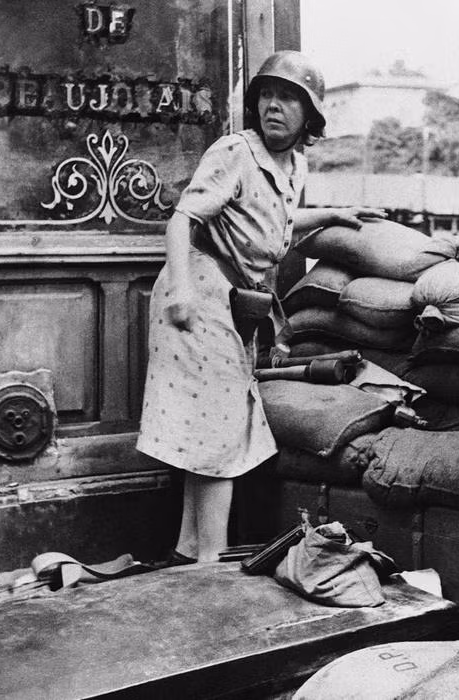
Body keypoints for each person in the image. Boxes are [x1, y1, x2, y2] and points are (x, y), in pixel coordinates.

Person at [136, 51, 384, 564]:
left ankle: (188, 552)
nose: (274, 105)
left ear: (310, 116)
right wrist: (181, 289)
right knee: (220, 430)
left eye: (289, 97)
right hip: (199, 292)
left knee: (209, 428)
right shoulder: (235, 152)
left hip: (234, 302)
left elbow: (276, 224)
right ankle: (210, 565)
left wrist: (334, 213)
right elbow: (182, 219)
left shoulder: (295, 166)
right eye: (268, 95)